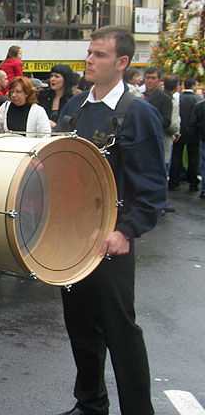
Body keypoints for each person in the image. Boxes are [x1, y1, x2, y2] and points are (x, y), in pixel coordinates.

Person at [55, 25, 165, 415]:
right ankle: (90, 403)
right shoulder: (73, 108)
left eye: (99, 55)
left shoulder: (139, 113)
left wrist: (127, 231)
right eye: (89, 52)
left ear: (122, 63)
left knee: (121, 333)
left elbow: (151, 186)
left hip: (111, 241)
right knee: (80, 327)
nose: (89, 59)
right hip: (71, 238)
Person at [169, 75, 201, 191]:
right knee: (193, 157)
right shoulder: (198, 99)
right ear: (193, 86)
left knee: (176, 156)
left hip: (180, 131)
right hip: (193, 133)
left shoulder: (178, 98)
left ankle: (174, 180)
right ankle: (193, 182)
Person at [37, 64, 75, 128]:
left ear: (66, 79)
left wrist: (55, 126)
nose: (52, 79)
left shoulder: (72, 100)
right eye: (51, 76)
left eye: (57, 76)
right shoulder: (42, 95)